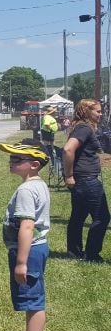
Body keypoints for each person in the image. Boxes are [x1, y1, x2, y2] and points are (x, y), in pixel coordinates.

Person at [0, 142, 51, 331]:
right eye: (11, 158)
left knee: (32, 299)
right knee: (32, 296)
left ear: (34, 164)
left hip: (28, 251)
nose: (12, 161)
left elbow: (27, 226)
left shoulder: (27, 190)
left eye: (18, 159)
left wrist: (21, 262)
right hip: (35, 249)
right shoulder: (37, 185)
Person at [62, 98, 108, 262]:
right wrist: (68, 175)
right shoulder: (84, 128)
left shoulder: (80, 127)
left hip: (81, 179)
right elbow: (68, 149)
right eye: (98, 111)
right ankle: (92, 255)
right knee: (102, 217)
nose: (101, 114)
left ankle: (74, 252)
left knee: (78, 216)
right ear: (87, 111)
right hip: (87, 179)